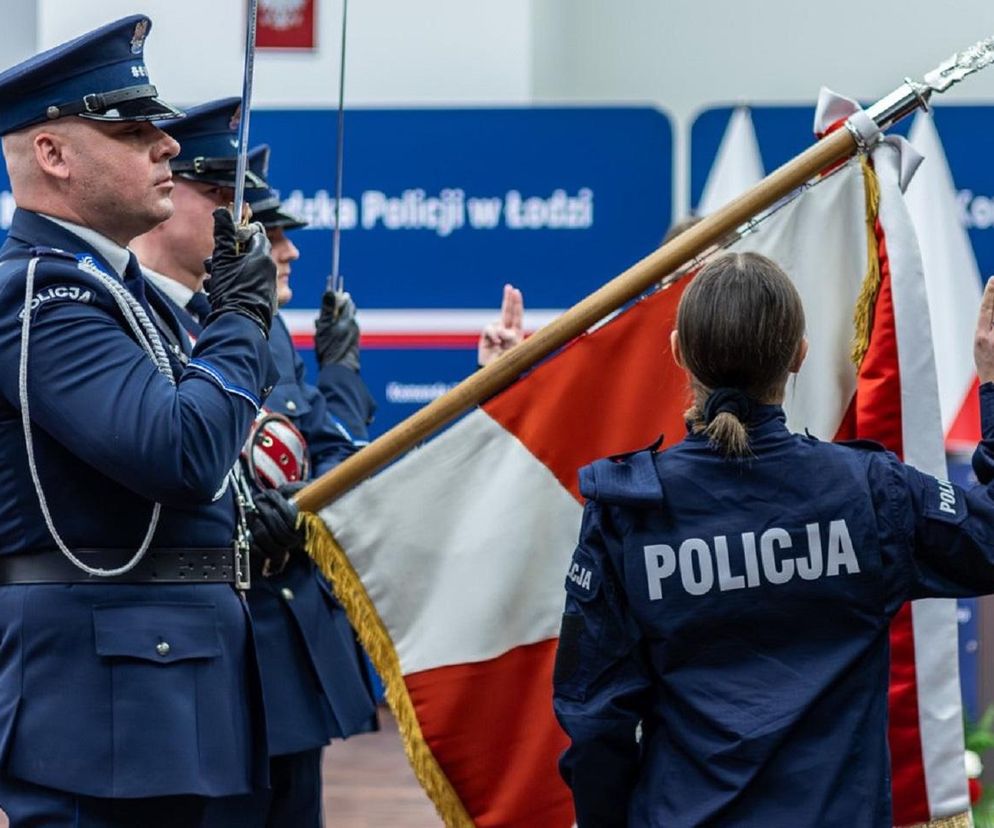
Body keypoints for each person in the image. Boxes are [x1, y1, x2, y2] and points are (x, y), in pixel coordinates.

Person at [553, 251, 994, 827]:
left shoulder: (626, 511)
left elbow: (596, 720)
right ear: (799, 355)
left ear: (680, 351)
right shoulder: (869, 491)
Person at [0, 15, 281, 827]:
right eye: (131, 128)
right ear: (52, 154)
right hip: (104, 709)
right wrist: (240, 316)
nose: (166, 147)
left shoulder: (110, 291)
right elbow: (180, 452)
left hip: (153, 692)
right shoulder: (42, 293)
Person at [134, 118, 377, 828]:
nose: (277, 245)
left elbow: (312, 454)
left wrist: (342, 377)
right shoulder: (133, 316)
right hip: (201, 656)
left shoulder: (259, 326)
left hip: (284, 647)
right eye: (223, 196)